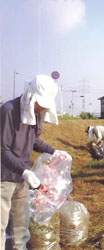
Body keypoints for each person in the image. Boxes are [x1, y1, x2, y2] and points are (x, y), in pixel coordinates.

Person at [1, 75, 59, 249]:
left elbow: (33, 140)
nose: (41, 108)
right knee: (1, 226)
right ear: (30, 95)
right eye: (39, 103)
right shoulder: (8, 111)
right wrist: (24, 171)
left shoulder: (38, 112)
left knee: (21, 227)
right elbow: (2, 149)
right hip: (3, 179)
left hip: (22, 179)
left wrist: (54, 151)